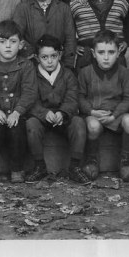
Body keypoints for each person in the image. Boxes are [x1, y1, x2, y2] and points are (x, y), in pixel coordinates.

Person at [0, 20, 38, 185]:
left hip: (18, 112)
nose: (8, 46)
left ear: (21, 44)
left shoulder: (26, 66)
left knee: (17, 130)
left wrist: (18, 111)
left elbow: (30, 92)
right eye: (3, 42)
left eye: (13, 42)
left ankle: (17, 169)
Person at [25, 35, 87, 184]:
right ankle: (40, 167)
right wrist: (44, 113)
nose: (50, 61)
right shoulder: (32, 74)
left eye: (53, 56)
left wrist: (63, 112)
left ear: (60, 54)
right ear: (37, 57)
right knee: (31, 124)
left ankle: (74, 167)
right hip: (42, 117)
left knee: (79, 123)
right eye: (44, 57)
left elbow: (72, 98)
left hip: (62, 117)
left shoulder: (68, 74)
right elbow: (30, 99)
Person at [77, 30, 129, 182]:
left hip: (115, 114)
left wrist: (114, 115)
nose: (106, 57)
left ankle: (126, 160)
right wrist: (92, 112)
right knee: (93, 126)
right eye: (101, 52)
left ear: (118, 53)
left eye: (111, 52)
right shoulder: (85, 73)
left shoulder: (123, 73)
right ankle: (92, 159)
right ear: (93, 53)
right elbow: (80, 97)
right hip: (94, 114)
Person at [12, 0, 76, 68]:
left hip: (59, 64)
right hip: (30, 64)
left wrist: (68, 65)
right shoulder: (23, 8)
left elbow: (70, 39)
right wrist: (32, 53)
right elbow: (17, 35)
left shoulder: (64, 9)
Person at [70, 0, 129, 69]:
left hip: (115, 57)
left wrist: (126, 41)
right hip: (86, 58)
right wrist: (74, 45)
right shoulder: (76, 5)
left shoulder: (121, 3)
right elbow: (68, 29)